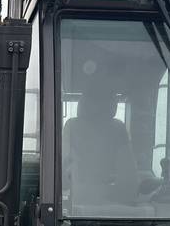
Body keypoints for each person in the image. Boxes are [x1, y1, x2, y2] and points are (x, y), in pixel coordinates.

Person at [62, 84, 157, 215]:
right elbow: (129, 185)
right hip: (111, 210)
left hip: (77, 209)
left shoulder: (71, 127)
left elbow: (63, 180)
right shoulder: (117, 129)